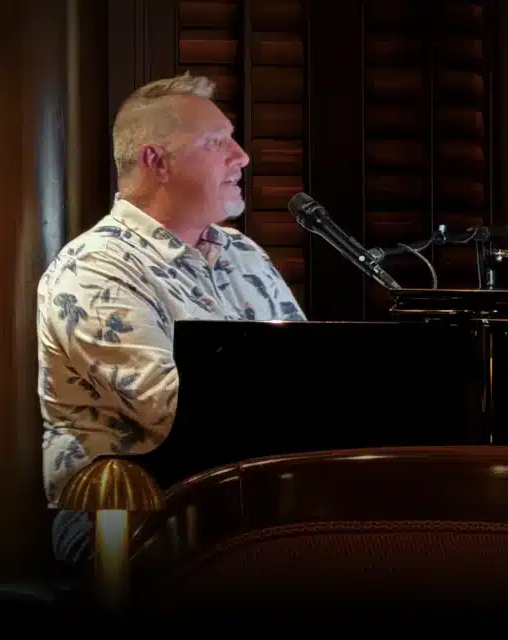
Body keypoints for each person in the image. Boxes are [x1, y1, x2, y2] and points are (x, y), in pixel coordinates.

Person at [37, 73, 306, 570]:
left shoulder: (243, 254)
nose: (242, 156)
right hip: (133, 508)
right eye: (216, 143)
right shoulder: (97, 266)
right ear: (156, 162)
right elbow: (175, 411)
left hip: (251, 492)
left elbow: (307, 371)